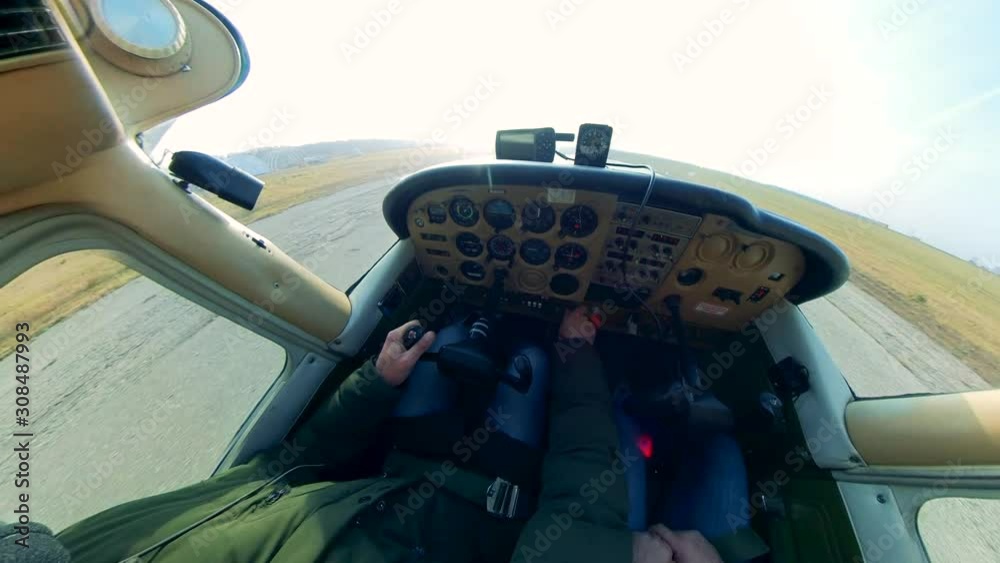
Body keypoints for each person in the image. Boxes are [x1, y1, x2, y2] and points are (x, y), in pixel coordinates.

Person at [55, 308, 722, 562]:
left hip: (402, 474)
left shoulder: (86, 546)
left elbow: (285, 467)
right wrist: (578, 356)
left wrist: (375, 383)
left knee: (451, 339)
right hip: (498, 509)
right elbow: (571, 516)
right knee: (535, 362)